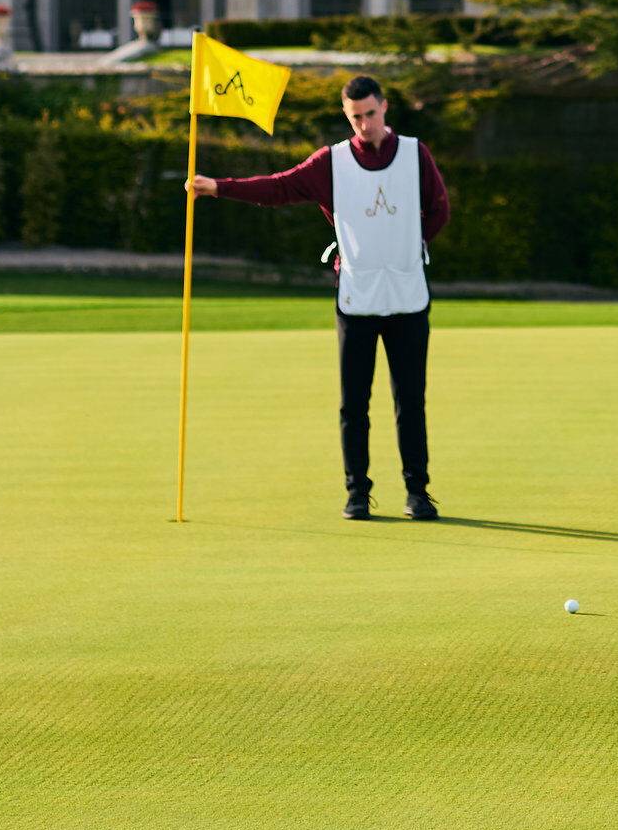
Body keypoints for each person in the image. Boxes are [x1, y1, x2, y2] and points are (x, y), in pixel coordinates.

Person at [188, 73, 455, 521]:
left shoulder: (415, 154)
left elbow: (440, 209)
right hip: (356, 299)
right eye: (355, 117)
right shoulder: (330, 162)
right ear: (346, 116)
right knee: (354, 404)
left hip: (408, 298)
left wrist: (410, 248)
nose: (364, 125)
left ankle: (418, 493)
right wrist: (218, 186)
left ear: (385, 108)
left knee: (410, 402)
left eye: (370, 114)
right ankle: (357, 494)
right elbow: (277, 188)